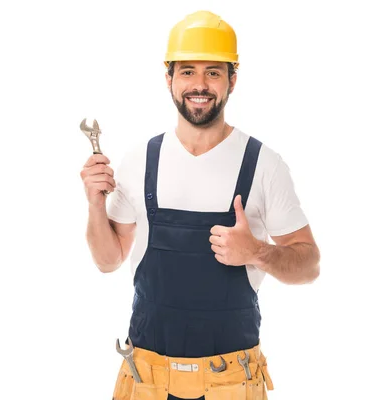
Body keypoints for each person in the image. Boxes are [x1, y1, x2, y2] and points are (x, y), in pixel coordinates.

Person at [80, 10, 320, 400]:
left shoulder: (263, 164)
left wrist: (257, 252)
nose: (200, 84)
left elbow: (308, 265)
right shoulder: (140, 159)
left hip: (232, 382)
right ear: (170, 79)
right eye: (188, 71)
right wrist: (94, 204)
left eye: (213, 72)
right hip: (149, 381)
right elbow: (108, 260)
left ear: (232, 80)